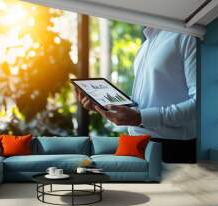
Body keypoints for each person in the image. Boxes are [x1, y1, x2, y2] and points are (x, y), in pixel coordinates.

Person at [76, 27, 196, 163]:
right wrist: (102, 106)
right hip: (135, 142)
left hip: (173, 148)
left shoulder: (186, 37)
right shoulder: (144, 47)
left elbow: (201, 104)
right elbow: (142, 104)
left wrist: (140, 117)